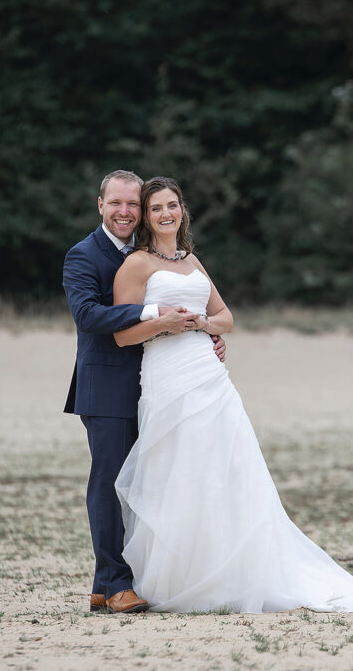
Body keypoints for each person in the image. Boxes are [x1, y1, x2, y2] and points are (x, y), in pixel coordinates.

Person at [110, 176, 353, 613]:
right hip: (167, 375)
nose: (166, 214)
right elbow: (122, 335)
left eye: (172, 205)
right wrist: (166, 324)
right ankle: (181, 575)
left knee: (225, 468)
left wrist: (203, 327)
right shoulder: (137, 264)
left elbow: (225, 316)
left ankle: (233, 570)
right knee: (179, 467)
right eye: (156, 208)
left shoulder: (191, 260)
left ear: (182, 210)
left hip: (208, 374)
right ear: (147, 217)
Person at [62, 170, 226, 614]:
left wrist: (200, 333)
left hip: (158, 381)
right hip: (107, 387)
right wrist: (157, 313)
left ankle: (107, 582)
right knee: (110, 482)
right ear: (100, 205)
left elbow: (194, 308)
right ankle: (116, 584)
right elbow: (90, 316)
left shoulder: (149, 252)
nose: (125, 212)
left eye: (133, 204)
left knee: (149, 482)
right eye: (116, 203)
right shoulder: (83, 256)